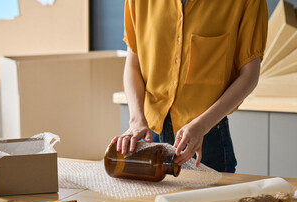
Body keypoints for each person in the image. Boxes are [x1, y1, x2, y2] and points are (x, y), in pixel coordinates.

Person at [111, 0, 268, 173]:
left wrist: (202, 125)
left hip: (208, 139)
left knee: (212, 201)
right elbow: (133, 65)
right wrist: (136, 120)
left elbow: (249, 75)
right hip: (148, 134)